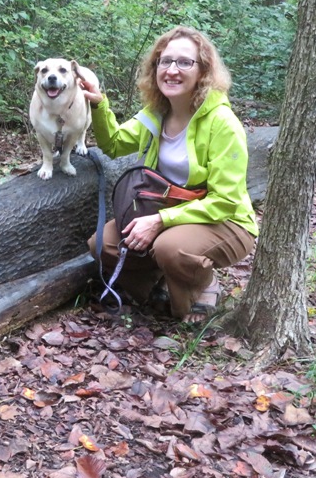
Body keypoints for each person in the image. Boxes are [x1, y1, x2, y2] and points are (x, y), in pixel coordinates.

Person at [80, 26, 258, 323]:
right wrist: (98, 104)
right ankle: (159, 287)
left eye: (184, 62)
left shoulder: (222, 122)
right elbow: (112, 144)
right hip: (169, 210)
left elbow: (226, 201)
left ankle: (201, 288)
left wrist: (160, 221)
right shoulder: (156, 113)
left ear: (204, 71)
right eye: (165, 61)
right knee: (103, 244)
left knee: (169, 247)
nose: (172, 70)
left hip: (226, 221)